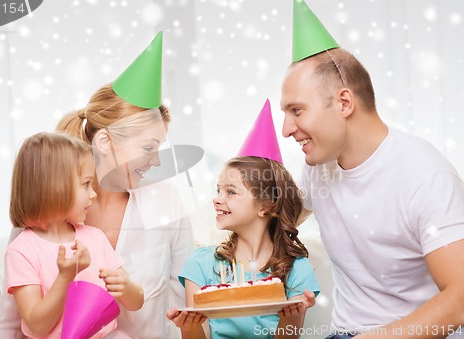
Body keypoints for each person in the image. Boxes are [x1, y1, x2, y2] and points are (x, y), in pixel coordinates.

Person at [0, 32, 195, 339]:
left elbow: (184, 303)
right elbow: (13, 319)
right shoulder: (44, 209)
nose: (155, 162)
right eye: (149, 147)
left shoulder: (167, 201)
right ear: (105, 141)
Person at [280, 1, 464, 338]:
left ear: (344, 103)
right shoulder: (318, 169)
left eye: (297, 111)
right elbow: (277, 222)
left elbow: (460, 299)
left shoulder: (425, 176)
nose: (286, 129)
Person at [167, 99, 320, 339]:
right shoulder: (202, 264)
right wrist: (190, 328)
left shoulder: (295, 270)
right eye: (218, 190)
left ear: (265, 205)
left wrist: (291, 320)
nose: (216, 200)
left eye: (231, 191)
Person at [5, 132, 144, 338]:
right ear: (54, 187)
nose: (93, 193)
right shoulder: (21, 251)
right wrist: (65, 277)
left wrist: (127, 287)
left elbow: (136, 302)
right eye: (86, 184)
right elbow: (37, 325)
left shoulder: (95, 238)